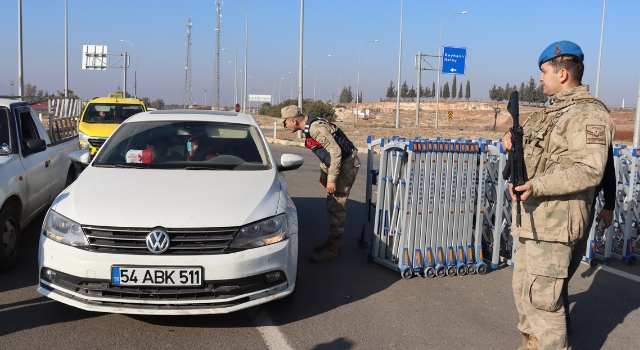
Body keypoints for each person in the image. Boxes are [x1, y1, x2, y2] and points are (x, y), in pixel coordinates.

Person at [502, 40, 615, 349]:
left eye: (544, 71)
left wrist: (538, 186)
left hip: (556, 223)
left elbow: (591, 169)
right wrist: (513, 146)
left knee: (544, 301)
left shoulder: (588, 114)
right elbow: (535, 159)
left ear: (562, 74)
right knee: (525, 292)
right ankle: (533, 343)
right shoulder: (549, 115)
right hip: (532, 217)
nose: (539, 78)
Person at [281, 105, 360, 263]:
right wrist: (324, 174)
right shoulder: (310, 127)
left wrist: (331, 179)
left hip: (346, 166)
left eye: (285, 122)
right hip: (339, 165)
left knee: (337, 206)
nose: (284, 125)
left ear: (294, 120)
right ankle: (332, 243)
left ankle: (332, 249)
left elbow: (336, 152)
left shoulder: (316, 129)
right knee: (332, 204)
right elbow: (325, 154)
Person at [562, 144, 615, 331]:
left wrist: (609, 205)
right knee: (557, 267)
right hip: (555, 206)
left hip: (585, 206)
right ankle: (559, 320)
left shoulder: (595, 120)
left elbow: (608, 166)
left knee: (572, 262)